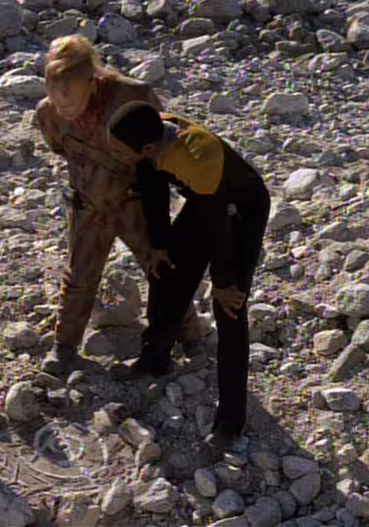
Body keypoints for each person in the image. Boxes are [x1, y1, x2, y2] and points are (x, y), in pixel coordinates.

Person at [34, 34, 203, 376]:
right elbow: (60, 147)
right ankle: (64, 346)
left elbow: (162, 147)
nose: (65, 111)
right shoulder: (48, 113)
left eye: (72, 103)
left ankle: (191, 337)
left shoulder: (133, 97)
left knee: (162, 269)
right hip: (88, 203)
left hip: (135, 201)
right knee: (79, 276)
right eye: (58, 103)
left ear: (93, 82)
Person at [106, 101, 271, 449]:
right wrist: (159, 245)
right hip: (205, 200)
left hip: (240, 210)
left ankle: (230, 423)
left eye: (119, 151)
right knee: (165, 272)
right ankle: (154, 359)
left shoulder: (199, 156)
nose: (114, 155)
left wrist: (223, 282)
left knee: (229, 308)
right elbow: (153, 188)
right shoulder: (152, 134)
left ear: (147, 147)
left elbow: (219, 225)